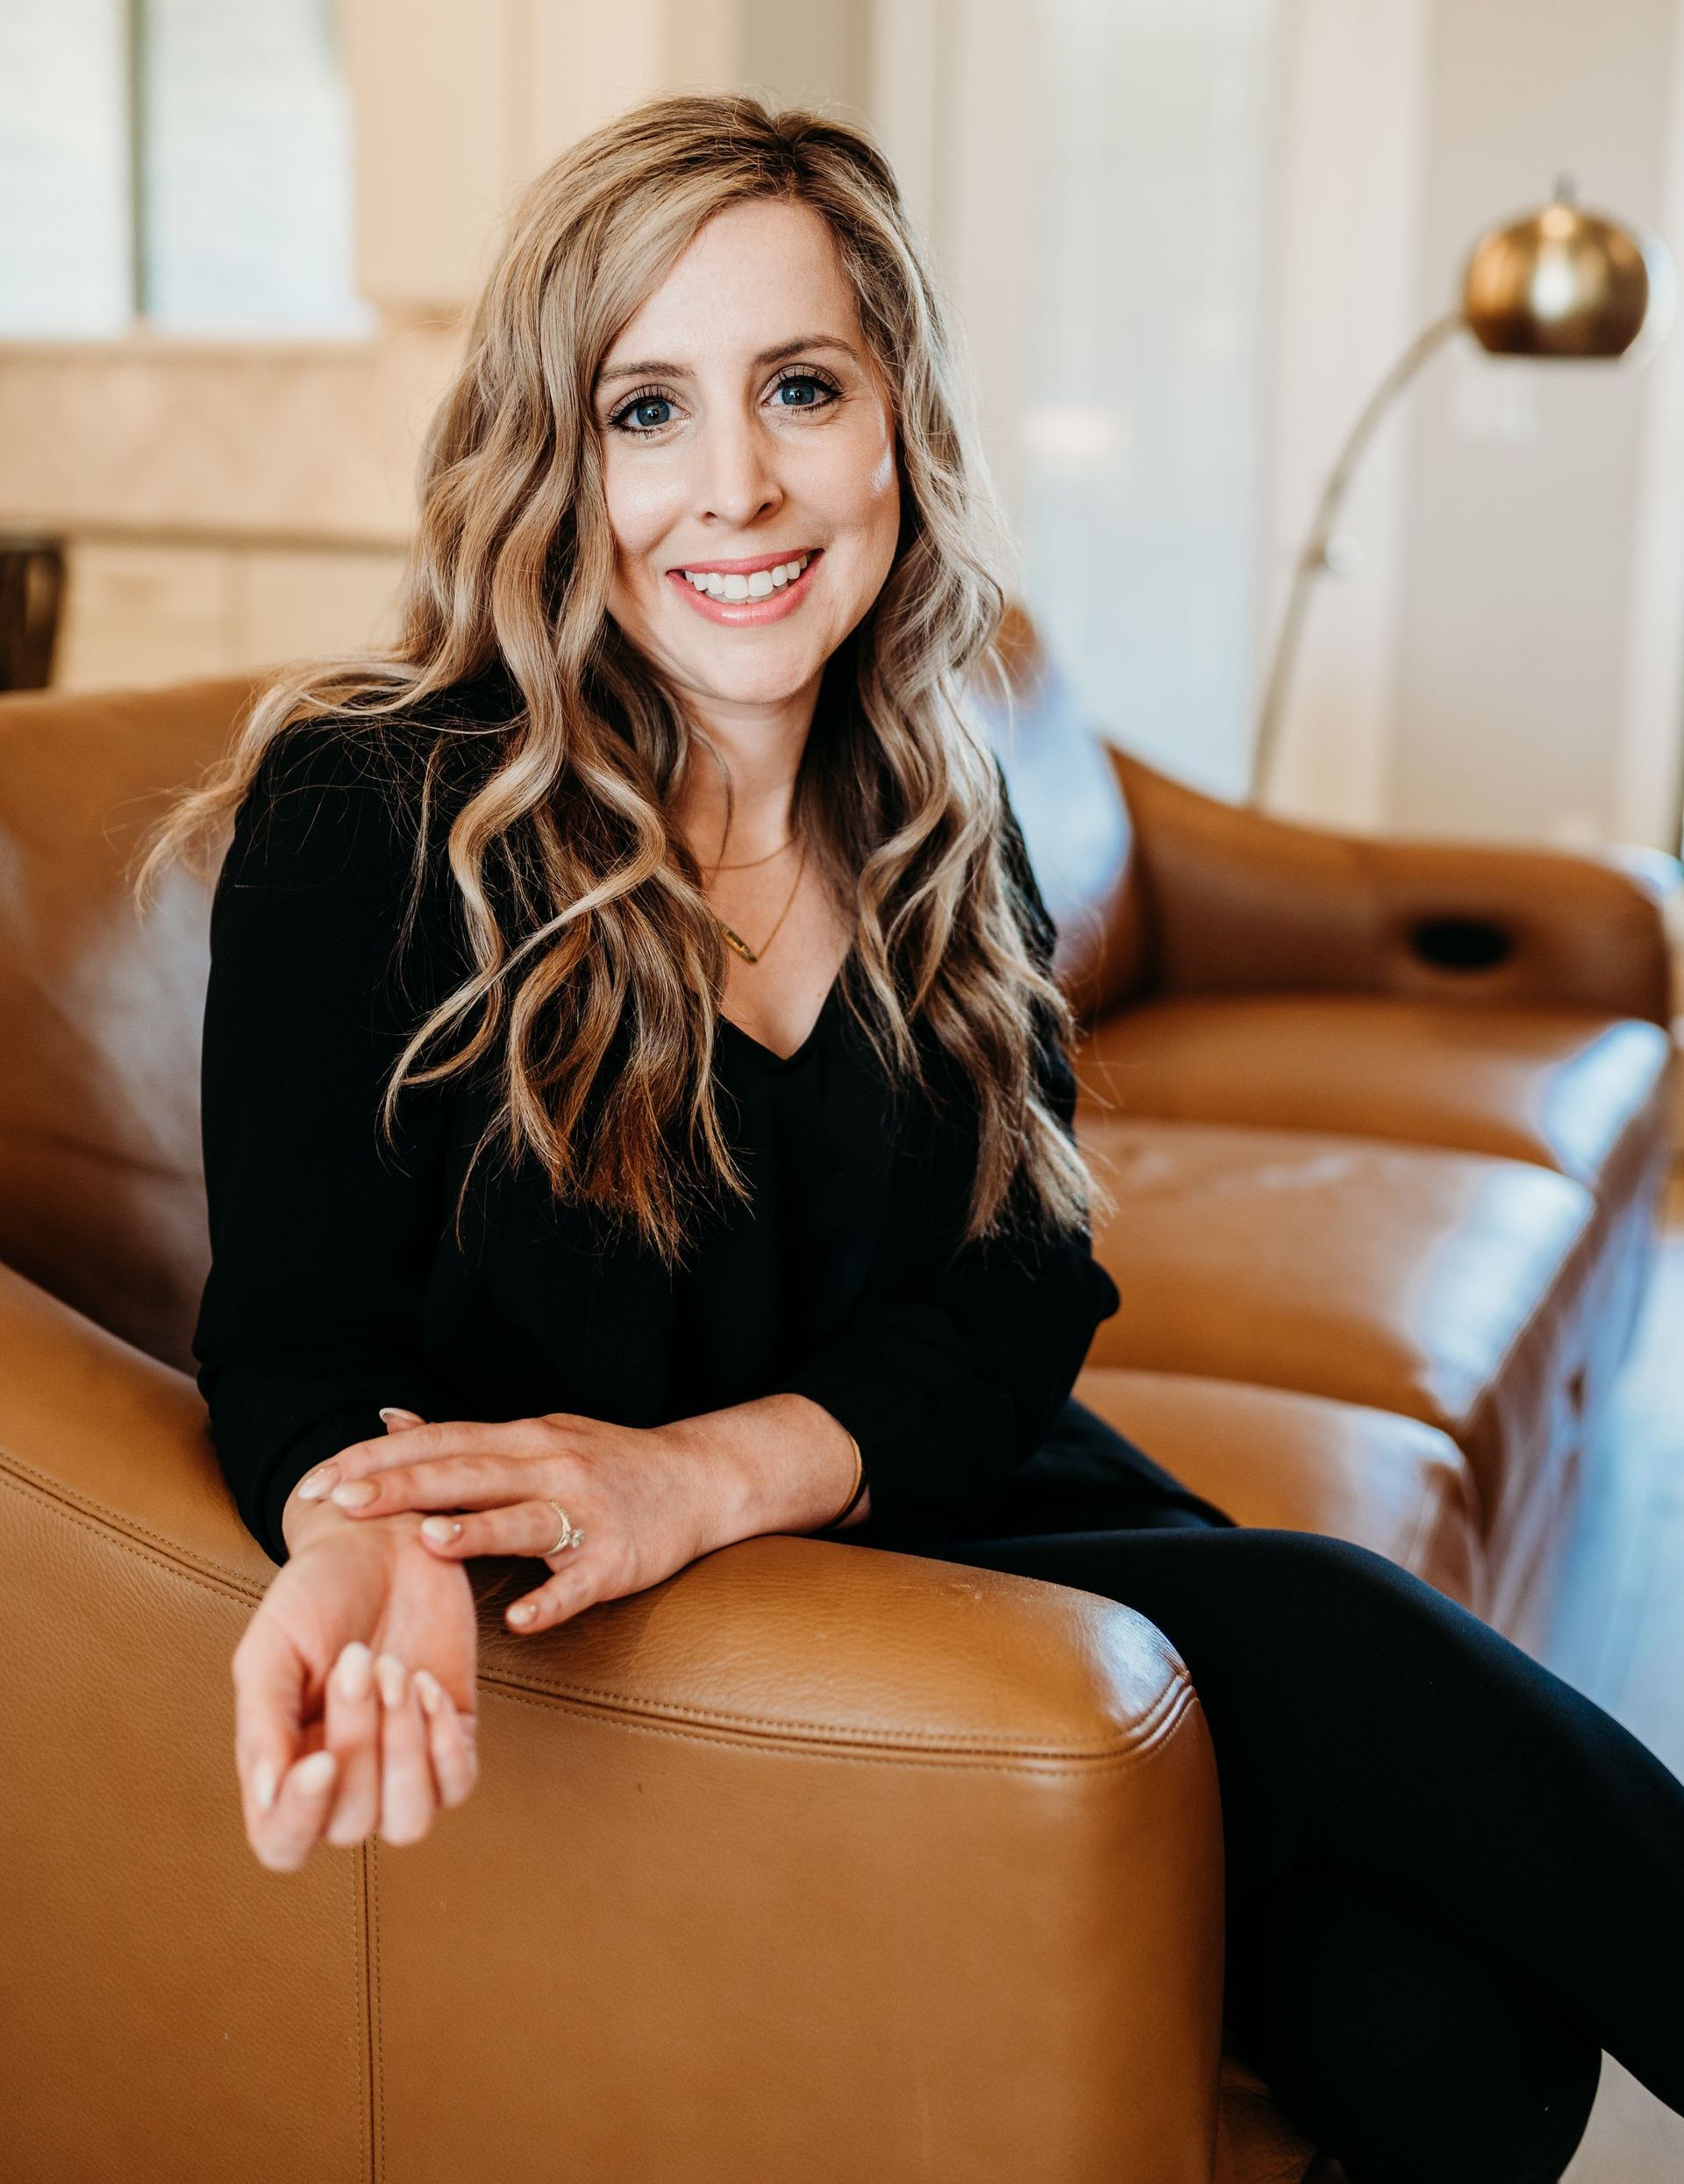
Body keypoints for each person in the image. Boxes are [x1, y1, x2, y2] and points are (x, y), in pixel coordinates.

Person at [134, 92, 1684, 2184]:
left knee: (1461, 2047)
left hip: (950, 1498)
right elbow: (296, 1347)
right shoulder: (371, 811)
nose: (739, 484)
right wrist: (364, 1537)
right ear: (547, 454)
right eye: (644, 411)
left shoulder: (928, 783)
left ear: (896, 424)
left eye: (800, 386)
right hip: (717, 1634)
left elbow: (1028, 1278)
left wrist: (718, 1466)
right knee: (1336, 1624)